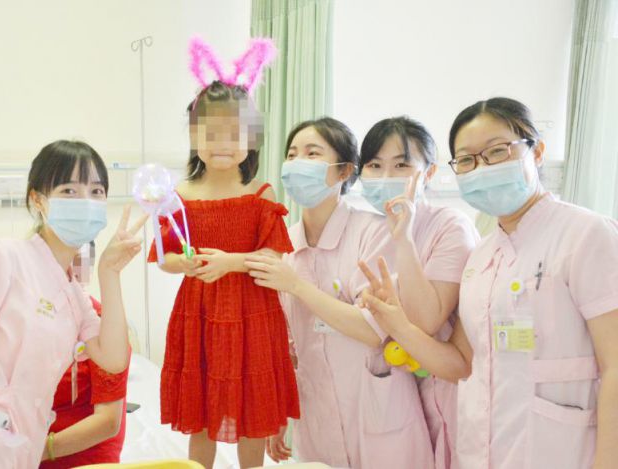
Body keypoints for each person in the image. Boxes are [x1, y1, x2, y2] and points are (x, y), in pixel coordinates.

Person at [360, 97, 618, 469]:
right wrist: (398, 324)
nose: (481, 168)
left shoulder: (586, 235)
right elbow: (460, 364)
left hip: (563, 452)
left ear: (537, 152)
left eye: (496, 151)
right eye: (466, 160)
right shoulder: (481, 258)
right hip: (481, 451)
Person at [0, 140, 147, 468]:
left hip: (22, 447)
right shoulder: (5, 258)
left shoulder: (75, 296)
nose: (85, 201)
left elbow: (112, 359)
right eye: (69, 191)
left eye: (96, 191)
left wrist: (110, 272)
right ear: (38, 200)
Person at [246, 117, 434, 469]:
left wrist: (296, 285)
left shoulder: (372, 232)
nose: (297, 163)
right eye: (292, 154)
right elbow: (288, 344)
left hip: (376, 411)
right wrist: (280, 410)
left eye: (312, 153)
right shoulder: (285, 244)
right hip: (314, 414)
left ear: (345, 170)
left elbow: (374, 329)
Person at [147, 38, 299, 469]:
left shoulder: (261, 194)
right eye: (210, 133)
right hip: (199, 314)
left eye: (235, 134)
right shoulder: (178, 196)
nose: (223, 143)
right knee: (201, 415)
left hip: (253, 315)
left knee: (251, 414)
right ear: (194, 137)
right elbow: (165, 258)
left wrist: (230, 262)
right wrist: (184, 264)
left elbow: (275, 260)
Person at [358, 116, 478, 469]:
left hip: (445, 386)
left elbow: (426, 319)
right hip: (398, 388)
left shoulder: (451, 226)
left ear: (429, 172)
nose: (385, 176)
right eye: (375, 165)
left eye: (401, 165)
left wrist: (404, 239)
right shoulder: (371, 229)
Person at [40, 241, 130, 468]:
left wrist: (40, 450)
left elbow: (108, 422)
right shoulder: (35, 321)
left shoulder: (102, 325)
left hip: (84, 459)